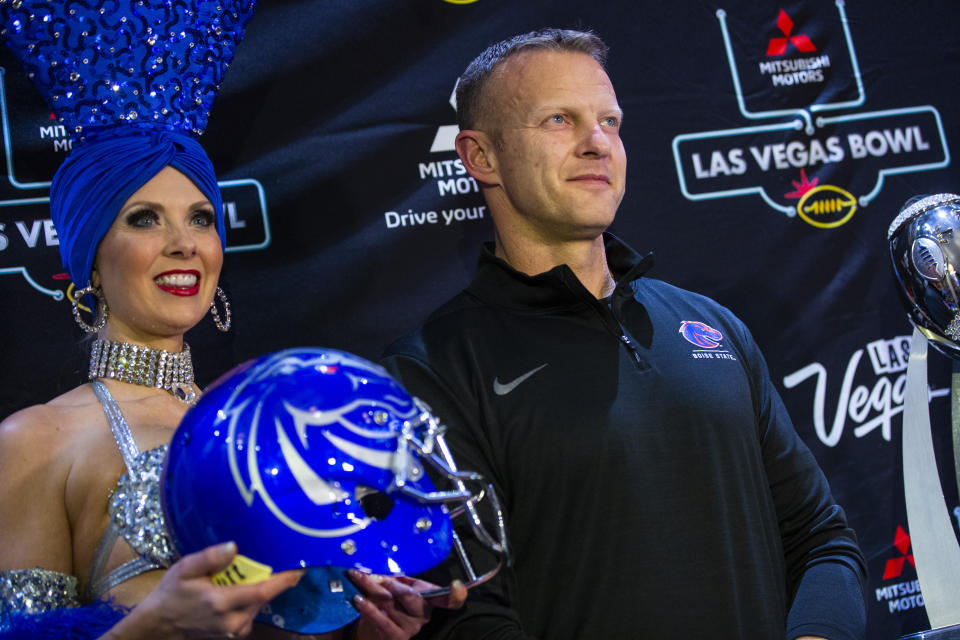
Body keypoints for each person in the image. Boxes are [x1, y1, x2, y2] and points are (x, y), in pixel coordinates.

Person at [382, 28, 868, 640]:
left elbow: (822, 539)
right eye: (560, 120)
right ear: (480, 157)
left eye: (609, 122)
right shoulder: (430, 370)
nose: (596, 144)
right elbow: (465, 619)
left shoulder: (714, 328)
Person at [0, 2, 465, 638]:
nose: (184, 243)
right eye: (143, 219)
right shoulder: (33, 442)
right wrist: (154, 624)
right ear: (90, 259)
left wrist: (371, 627)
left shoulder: (270, 417)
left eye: (200, 217)